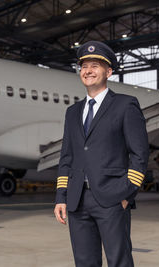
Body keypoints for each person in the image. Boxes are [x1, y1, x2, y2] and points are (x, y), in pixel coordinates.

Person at [53, 40, 149, 267]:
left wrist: (125, 195)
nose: (88, 71)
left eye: (95, 66)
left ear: (108, 71)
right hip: (77, 200)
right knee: (85, 262)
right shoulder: (72, 112)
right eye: (84, 66)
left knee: (119, 261)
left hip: (112, 198)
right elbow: (67, 157)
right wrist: (61, 196)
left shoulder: (126, 105)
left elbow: (140, 154)